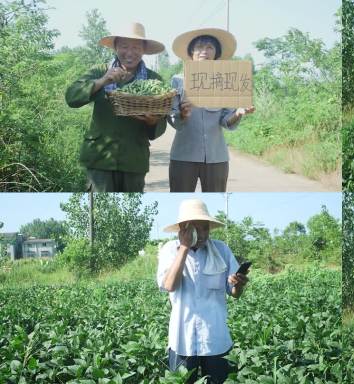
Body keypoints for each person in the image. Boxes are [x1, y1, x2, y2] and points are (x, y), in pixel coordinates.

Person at [65, 22, 167, 192]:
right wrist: (104, 80)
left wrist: (152, 121)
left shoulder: (153, 79)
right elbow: (72, 96)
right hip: (100, 159)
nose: (130, 53)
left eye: (136, 48)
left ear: (143, 50)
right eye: (124, 46)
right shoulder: (100, 71)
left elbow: (161, 120)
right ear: (115, 48)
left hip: (133, 161)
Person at [156, 199, 249, 383]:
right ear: (184, 228)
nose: (203, 234)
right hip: (182, 339)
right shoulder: (170, 250)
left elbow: (234, 293)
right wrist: (184, 247)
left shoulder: (221, 250)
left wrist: (238, 284)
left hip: (215, 338)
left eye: (205, 228)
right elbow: (169, 285)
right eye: (196, 228)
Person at [168, 28, 256, 192]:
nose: (204, 52)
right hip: (183, 156)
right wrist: (183, 115)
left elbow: (226, 120)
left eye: (210, 47)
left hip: (217, 157)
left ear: (216, 53)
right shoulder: (177, 80)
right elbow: (172, 118)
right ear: (191, 52)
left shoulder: (224, 81)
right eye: (199, 47)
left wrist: (237, 113)